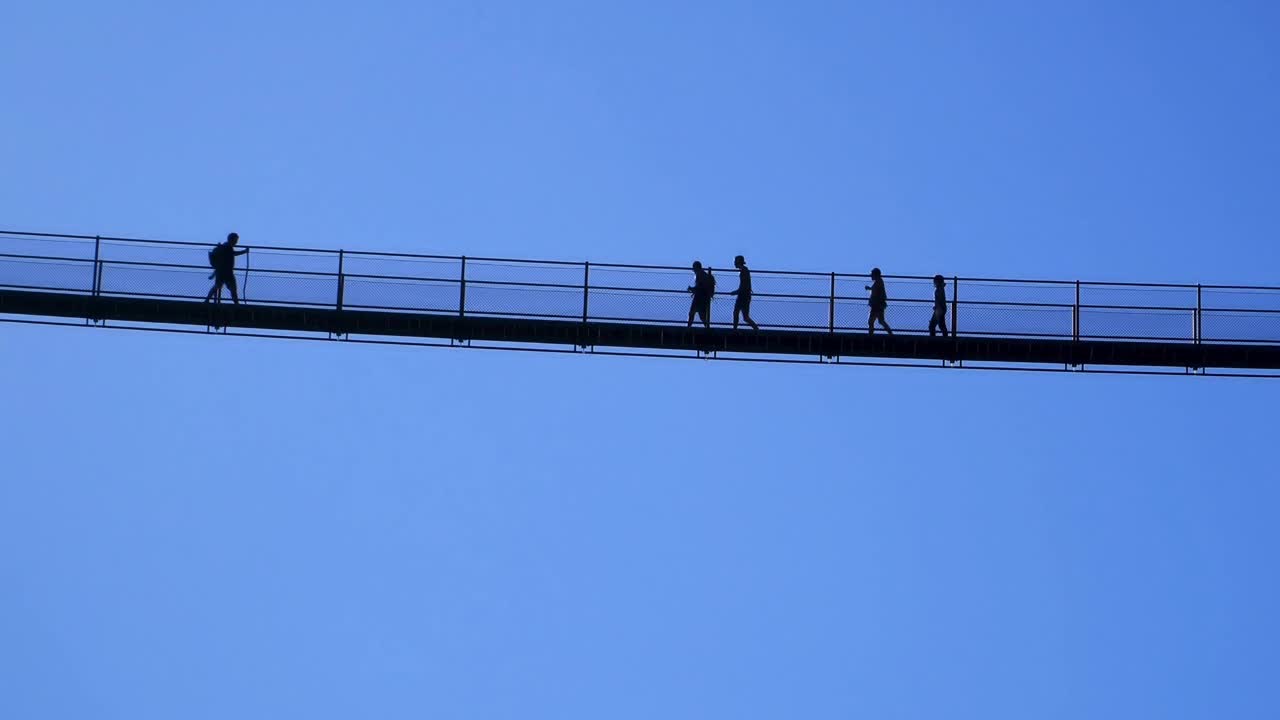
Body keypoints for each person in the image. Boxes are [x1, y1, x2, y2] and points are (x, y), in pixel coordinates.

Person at [204, 232, 249, 304]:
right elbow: (234, 254)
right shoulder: (228, 247)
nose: (236, 242)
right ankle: (236, 304)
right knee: (232, 289)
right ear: (232, 240)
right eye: (236, 240)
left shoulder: (224, 247)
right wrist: (244, 251)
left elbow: (221, 262)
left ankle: (207, 300)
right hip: (227, 272)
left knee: (218, 286)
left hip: (221, 272)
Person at [729, 255, 759, 330]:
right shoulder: (744, 270)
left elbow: (744, 285)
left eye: (735, 262)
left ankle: (735, 329)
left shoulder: (744, 271)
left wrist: (736, 292)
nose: (734, 263)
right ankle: (755, 328)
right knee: (745, 317)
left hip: (743, 296)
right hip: (745, 295)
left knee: (737, 313)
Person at [686, 261, 715, 328]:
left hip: (699, 297)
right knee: (702, 315)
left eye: (693, 267)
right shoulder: (703, 274)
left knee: (692, 313)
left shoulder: (699, 274)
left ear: (696, 267)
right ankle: (707, 327)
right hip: (704, 297)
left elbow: (699, 287)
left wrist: (691, 289)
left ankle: (688, 328)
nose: (693, 269)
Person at [865, 267, 892, 335]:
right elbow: (877, 291)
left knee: (871, 321)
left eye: (872, 274)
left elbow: (878, 293)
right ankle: (890, 333)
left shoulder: (878, 282)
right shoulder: (879, 282)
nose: (871, 276)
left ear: (875, 275)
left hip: (877, 305)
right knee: (881, 321)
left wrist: (876, 302)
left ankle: (870, 335)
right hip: (879, 304)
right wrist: (870, 288)